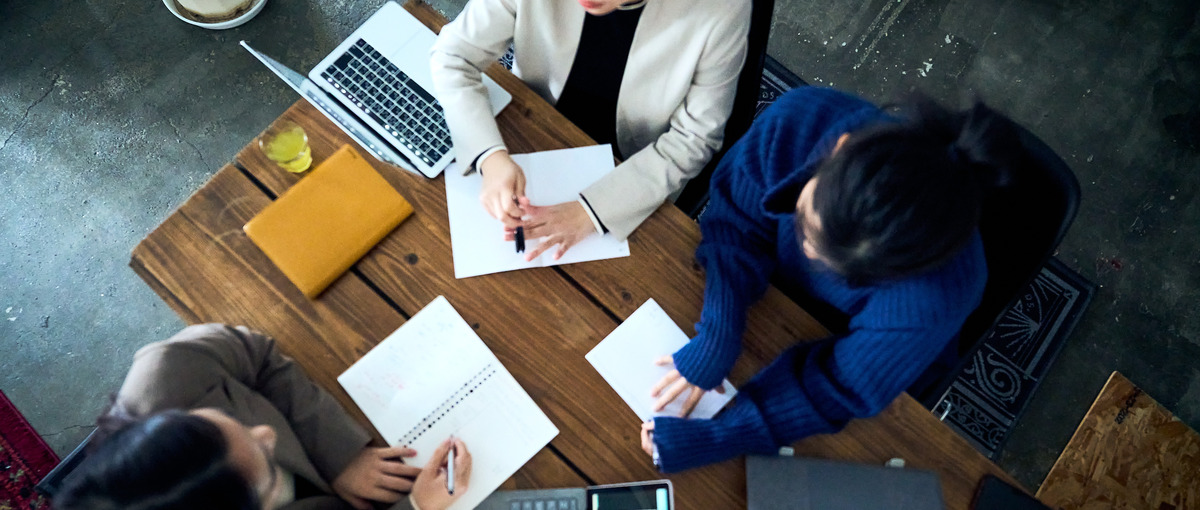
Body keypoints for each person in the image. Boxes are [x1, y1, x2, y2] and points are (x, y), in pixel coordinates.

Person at [638, 87, 1022, 472]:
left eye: (837, 264)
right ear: (838, 149)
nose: (807, 253)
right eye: (804, 224)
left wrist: (722, 436)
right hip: (775, 297)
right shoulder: (795, 121)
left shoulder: (939, 297)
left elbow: (839, 385)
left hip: (873, 350)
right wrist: (720, 328)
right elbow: (735, 221)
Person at [431, 0, 750, 260]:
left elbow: (695, 138)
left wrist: (594, 212)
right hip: (536, 123)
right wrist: (489, 155)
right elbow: (452, 55)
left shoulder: (723, 9)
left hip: (634, 167)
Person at [54, 324, 472, 510]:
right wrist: (418, 508)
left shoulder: (167, 375)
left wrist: (339, 454)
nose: (267, 433)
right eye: (266, 472)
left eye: (210, 419)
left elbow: (253, 351)